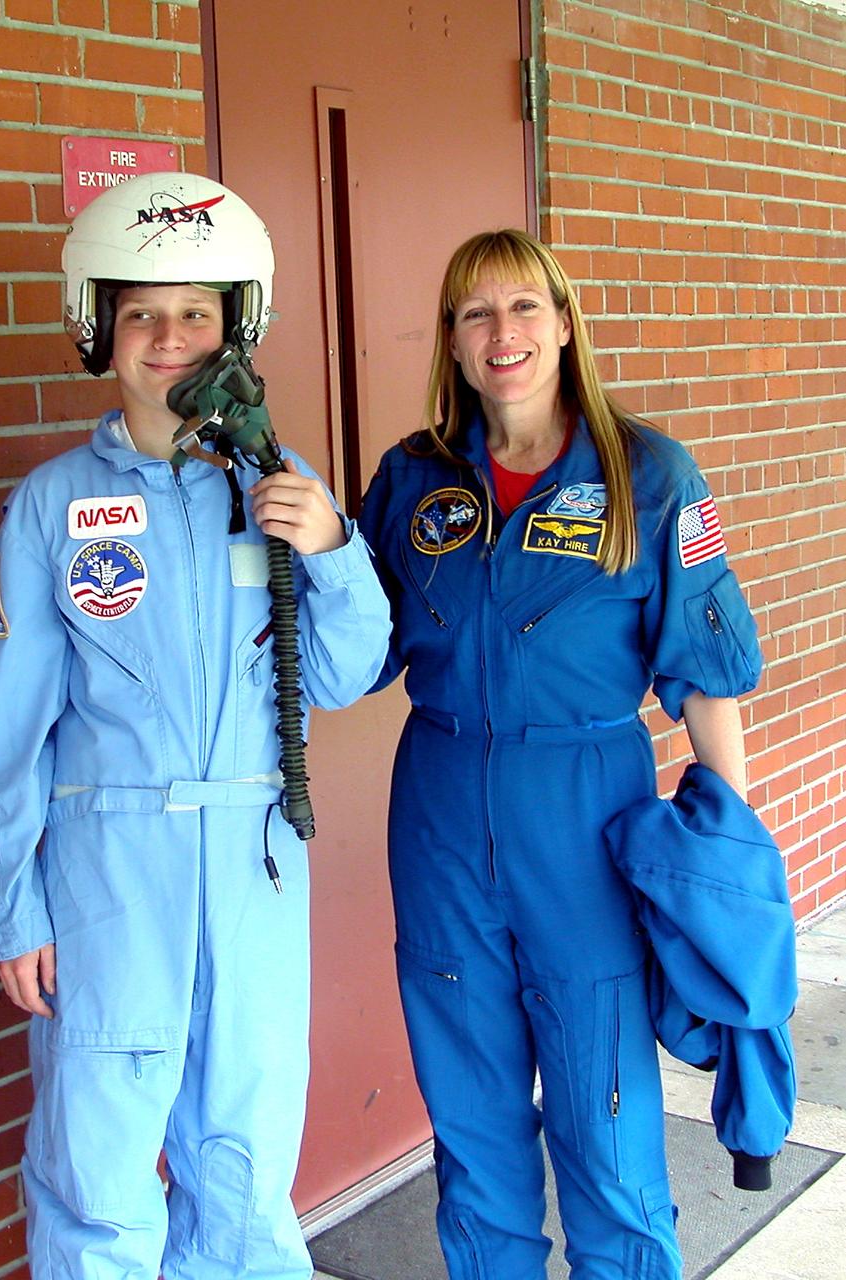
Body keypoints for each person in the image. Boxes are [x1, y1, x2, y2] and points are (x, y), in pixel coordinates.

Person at [0, 171, 391, 1280]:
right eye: (142, 312)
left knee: (243, 1178)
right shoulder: (54, 505)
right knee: (98, 1180)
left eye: (196, 311)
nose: (168, 337)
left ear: (236, 326)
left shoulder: (280, 482)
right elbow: (10, 735)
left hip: (253, 873)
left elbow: (345, 676)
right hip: (112, 878)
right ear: (98, 328)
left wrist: (335, 550)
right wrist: (12, 907)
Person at [358, 229, 764, 1279]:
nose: (505, 333)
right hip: (441, 811)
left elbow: (709, 686)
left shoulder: (649, 475)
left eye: (526, 306)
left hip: (586, 813)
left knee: (605, 1110)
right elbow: (353, 645)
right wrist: (313, 545)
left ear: (565, 321)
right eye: (477, 312)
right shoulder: (413, 481)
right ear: (450, 340)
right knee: (473, 1116)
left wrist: (725, 863)